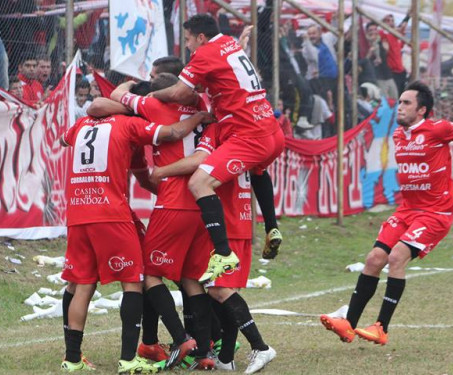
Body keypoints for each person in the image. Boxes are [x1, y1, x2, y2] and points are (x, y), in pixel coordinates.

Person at [320, 81, 453, 345]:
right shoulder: (400, 134)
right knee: (375, 258)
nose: (399, 107)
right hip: (408, 210)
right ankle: (349, 324)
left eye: (406, 103)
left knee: (397, 256)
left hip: (436, 212)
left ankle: (381, 327)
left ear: (421, 110)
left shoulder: (438, 129)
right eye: (399, 102)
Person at [59, 107, 214, 373]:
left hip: (77, 212)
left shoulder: (82, 123)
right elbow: (175, 131)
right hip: (110, 214)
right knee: (133, 282)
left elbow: (64, 139)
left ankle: (72, 359)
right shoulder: (129, 124)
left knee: (82, 284)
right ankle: (129, 360)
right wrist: (201, 117)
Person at [150, 14, 285, 283]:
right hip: (272, 131)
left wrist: (152, 95)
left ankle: (223, 253)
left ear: (200, 37)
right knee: (257, 169)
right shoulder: (229, 44)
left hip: (248, 135)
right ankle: (271, 226)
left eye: (187, 40)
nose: (187, 46)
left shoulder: (204, 53)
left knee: (199, 183)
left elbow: (179, 93)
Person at [150, 122, 277, 374]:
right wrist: (270, 225)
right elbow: (262, 177)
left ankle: (260, 346)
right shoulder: (252, 136)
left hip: (226, 223)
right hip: (234, 221)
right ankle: (224, 356)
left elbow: (198, 160)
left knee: (220, 291)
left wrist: (160, 171)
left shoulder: (220, 132)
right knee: (192, 279)